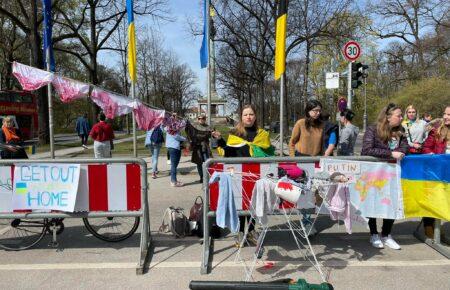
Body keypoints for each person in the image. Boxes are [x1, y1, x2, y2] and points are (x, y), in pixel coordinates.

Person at [212, 104, 274, 246]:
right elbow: (229, 152)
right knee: (240, 202)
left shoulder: (262, 134)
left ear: (255, 116)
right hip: (238, 173)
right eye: (245, 114)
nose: (248, 117)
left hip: (256, 173)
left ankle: (251, 231)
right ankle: (240, 231)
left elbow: (268, 153)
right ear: (241, 117)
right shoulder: (235, 133)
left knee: (252, 202)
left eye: (251, 114)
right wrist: (221, 140)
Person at [361, 103, 408, 250]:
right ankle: (373, 234)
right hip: (375, 173)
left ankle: (386, 235)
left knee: (392, 202)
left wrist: (401, 151)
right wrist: (390, 154)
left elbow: (405, 147)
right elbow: (367, 149)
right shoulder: (372, 129)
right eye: (399, 115)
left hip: (394, 174)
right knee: (373, 202)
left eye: (401, 115)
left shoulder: (402, 130)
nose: (401, 118)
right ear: (388, 117)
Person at [421, 105, 450, 238]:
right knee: (433, 200)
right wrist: (431, 154)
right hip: (437, 173)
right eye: (445, 114)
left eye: (449, 115)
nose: (445, 117)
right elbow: (426, 147)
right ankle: (430, 228)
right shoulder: (436, 130)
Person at [186, 114, 213, 183]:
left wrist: (212, 133)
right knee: (199, 163)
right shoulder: (194, 127)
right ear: (198, 119)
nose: (201, 120)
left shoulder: (208, 127)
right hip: (197, 147)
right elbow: (190, 133)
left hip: (205, 147)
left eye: (202, 118)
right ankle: (201, 177)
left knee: (207, 162)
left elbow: (211, 136)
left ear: (205, 119)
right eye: (199, 118)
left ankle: (207, 176)